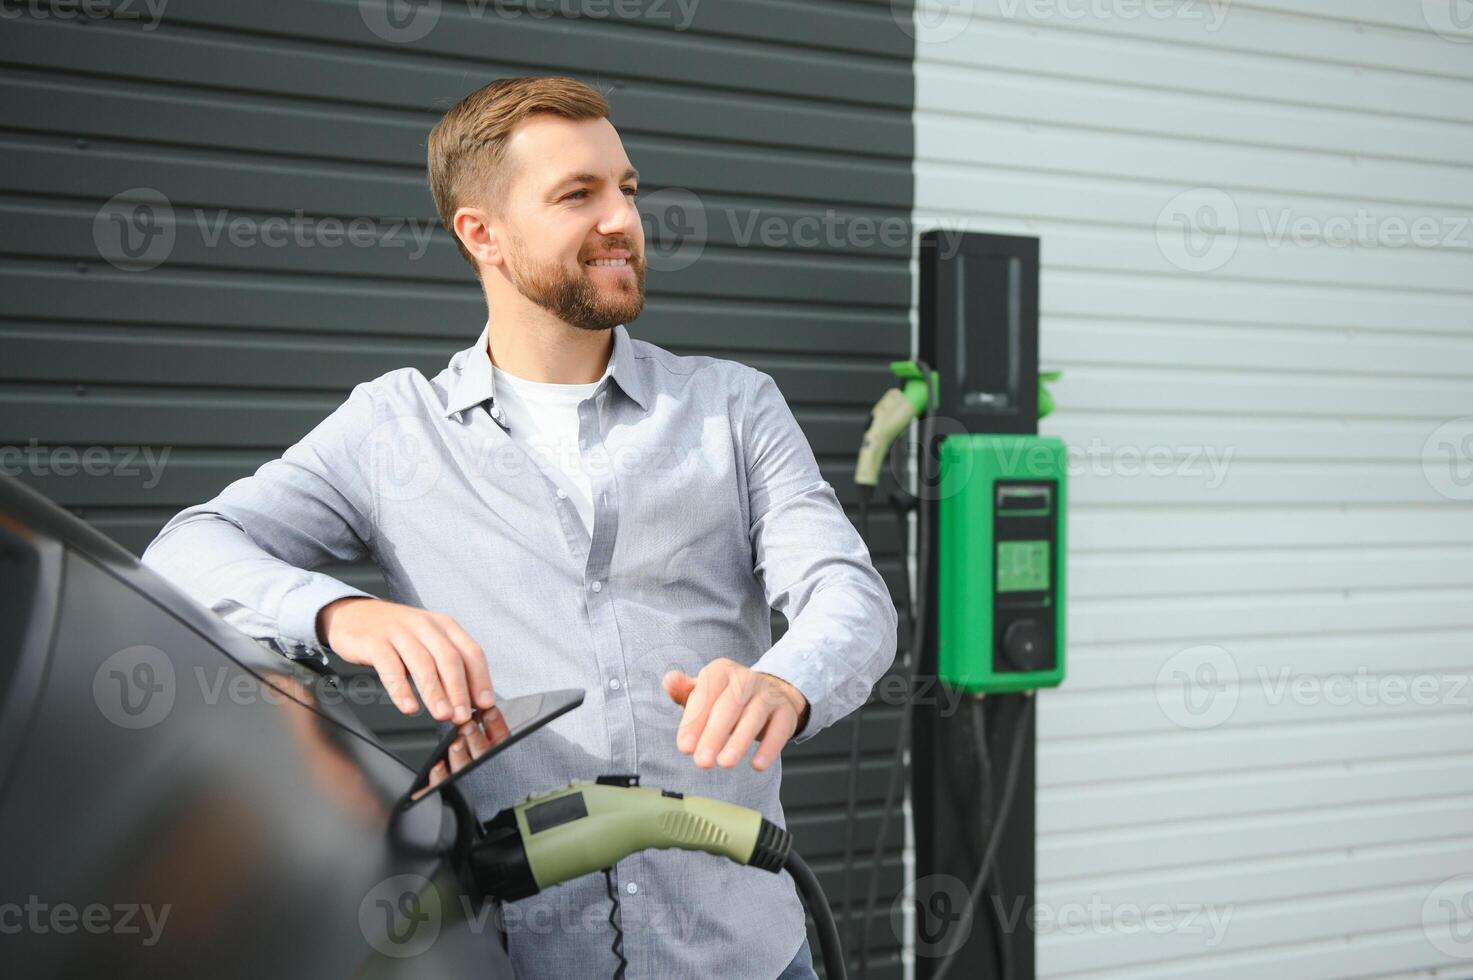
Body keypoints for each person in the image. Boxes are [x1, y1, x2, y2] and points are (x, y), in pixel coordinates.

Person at [140, 74, 897, 980]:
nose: (622, 218)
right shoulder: (391, 430)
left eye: (627, 188)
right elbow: (182, 552)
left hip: (747, 957)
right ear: (481, 233)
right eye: (578, 195)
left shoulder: (732, 408)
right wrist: (344, 614)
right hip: (517, 958)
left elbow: (848, 599)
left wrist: (785, 683)